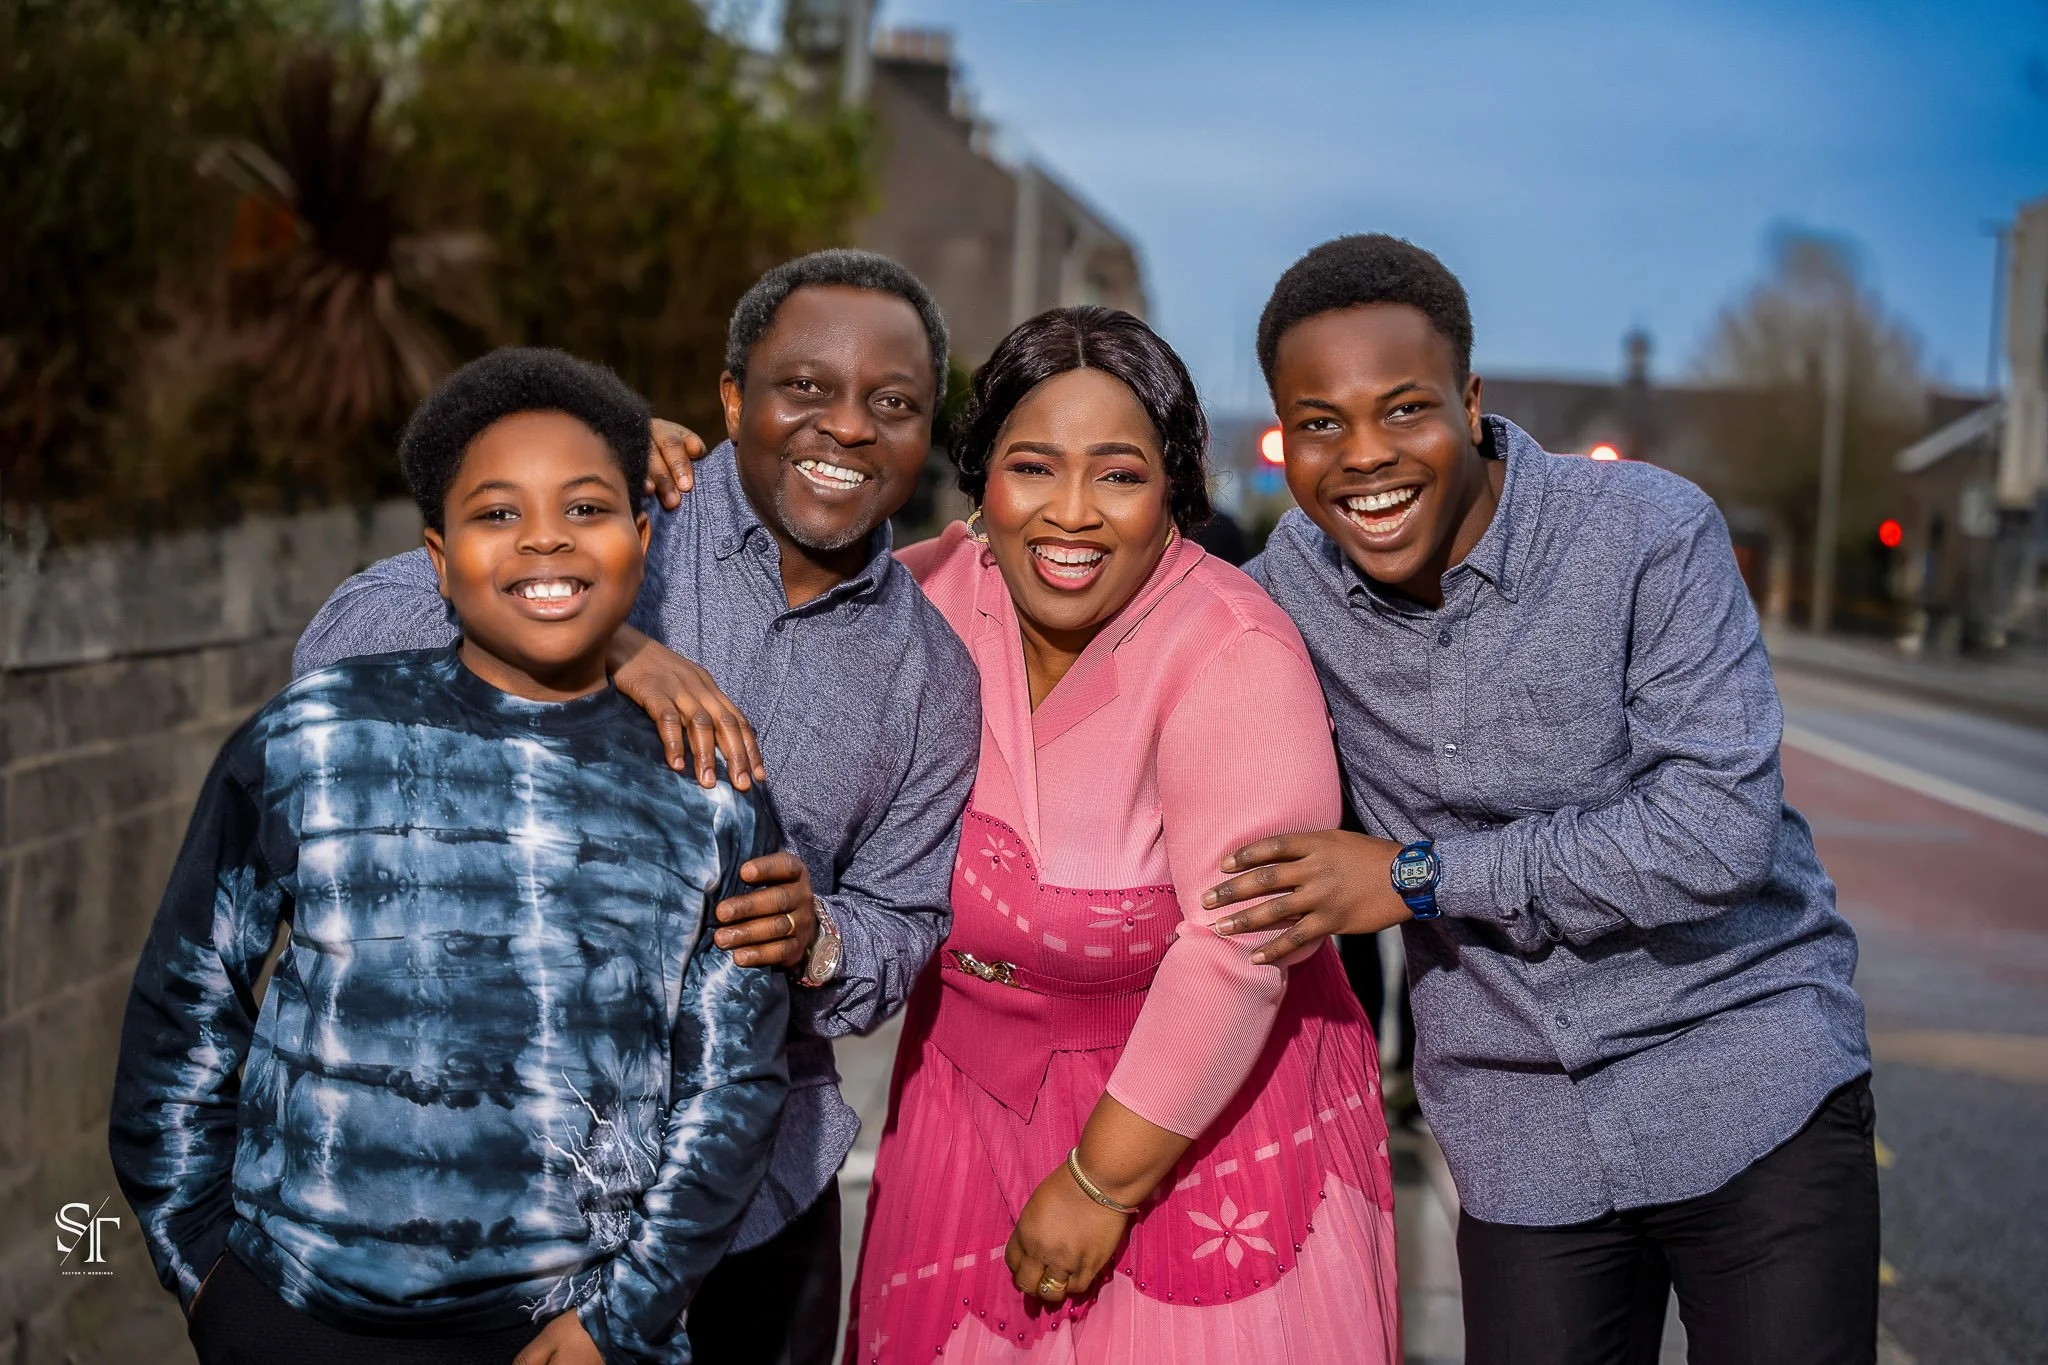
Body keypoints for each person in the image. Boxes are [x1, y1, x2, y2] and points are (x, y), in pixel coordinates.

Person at [290, 251, 981, 1365]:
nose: (847, 428)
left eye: (892, 404)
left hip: (753, 1196)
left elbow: (904, 923)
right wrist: (600, 641)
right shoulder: (619, 509)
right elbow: (347, 643)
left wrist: (819, 941)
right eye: (805, 387)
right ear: (729, 398)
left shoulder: (933, 677)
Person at [1205, 234, 1878, 1365]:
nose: (1362, 457)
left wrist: (1414, 878)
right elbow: (1129, 644)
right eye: (1319, 423)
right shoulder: (1280, 596)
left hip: (1745, 1076)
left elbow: (1710, 832)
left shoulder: (1645, 534)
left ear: (1468, 402)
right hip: (1520, 1130)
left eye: (1402, 408)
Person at [108, 347, 790, 1365]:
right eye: (497, 512)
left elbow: (730, 1085)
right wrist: (202, 1265)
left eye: (586, 508)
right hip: (294, 1317)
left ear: (642, 540)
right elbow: (186, 999)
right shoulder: (313, 738)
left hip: (573, 1337)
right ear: (436, 557)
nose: (544, 538)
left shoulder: (710, 788)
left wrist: (621, 1319)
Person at [845, 306, 1401, 1364]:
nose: (1070, 515)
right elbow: (763, 604)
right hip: (961, 1107)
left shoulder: (1234, 651)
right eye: (1031, 468)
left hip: (1193, 1120)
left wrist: (1100, 1181)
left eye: (1116, 475)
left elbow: (1236, 948)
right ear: (981, 482)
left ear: (1172, 490)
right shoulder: (923, 595)